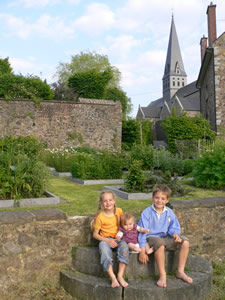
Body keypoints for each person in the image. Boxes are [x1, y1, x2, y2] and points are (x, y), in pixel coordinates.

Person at [138, 184, 193, 288]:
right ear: (153, 198)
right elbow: (142, 231)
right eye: (157, 198)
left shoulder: (169, 212)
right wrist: (142, 250)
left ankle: (180, 272)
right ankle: (163, 275)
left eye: (163, 198)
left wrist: (175, 234)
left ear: (167, 200)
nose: (159, 201)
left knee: (185, 241)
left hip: (165, 237)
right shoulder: (147, 212)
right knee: (160, 243)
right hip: (151, 237)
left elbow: (174, 227)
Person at [93, 190, 129, 288]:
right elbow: (95, 235)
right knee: (104, 250)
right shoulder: (100, 217)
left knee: (124, 246)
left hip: (118, 238)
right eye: (105, 201)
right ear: (101, 203)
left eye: (110, 200)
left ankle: (120, 275)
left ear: (114, 201)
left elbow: (124, 225)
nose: (108, 203)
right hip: (105, 239)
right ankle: (112, 276)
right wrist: (108, 240)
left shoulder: (119, 211)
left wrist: (121, 235)